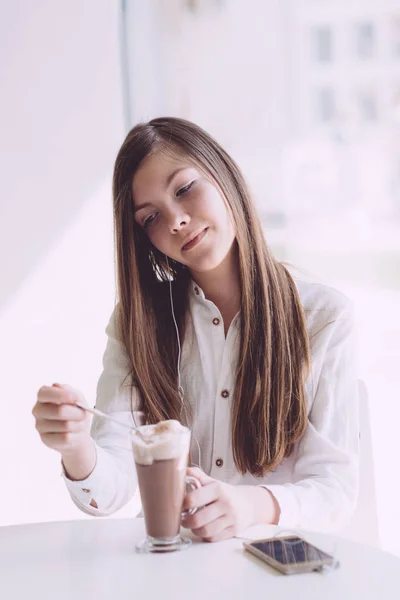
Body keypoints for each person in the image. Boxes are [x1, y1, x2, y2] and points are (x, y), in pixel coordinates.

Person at [32, 117, 359, 542]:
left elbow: (334, 492)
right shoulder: (140, 323)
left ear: (223, 173)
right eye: (150, 217)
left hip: (274, 569)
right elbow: (110, 489)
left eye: (185, 189)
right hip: (172, 569)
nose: (176, 221)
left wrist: (248, 506)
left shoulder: (324, 318)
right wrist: (75, 446)